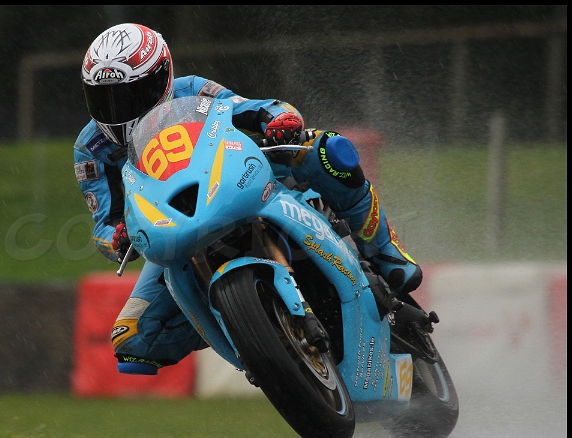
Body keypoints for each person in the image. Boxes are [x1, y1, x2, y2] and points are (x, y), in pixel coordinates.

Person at [74, 23, 422, 375]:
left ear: (161, 78)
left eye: (129, 95)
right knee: (132, 339)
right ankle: (245, 335)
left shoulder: (192, 89)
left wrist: (278, 118)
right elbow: (104, 223)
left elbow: (251, 109)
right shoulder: (90, 149)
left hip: (236, 172)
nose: (117, 110)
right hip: (171, 223)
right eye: (104, 99)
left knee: (327, 150)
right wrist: (115, 239)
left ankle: (386, 251)